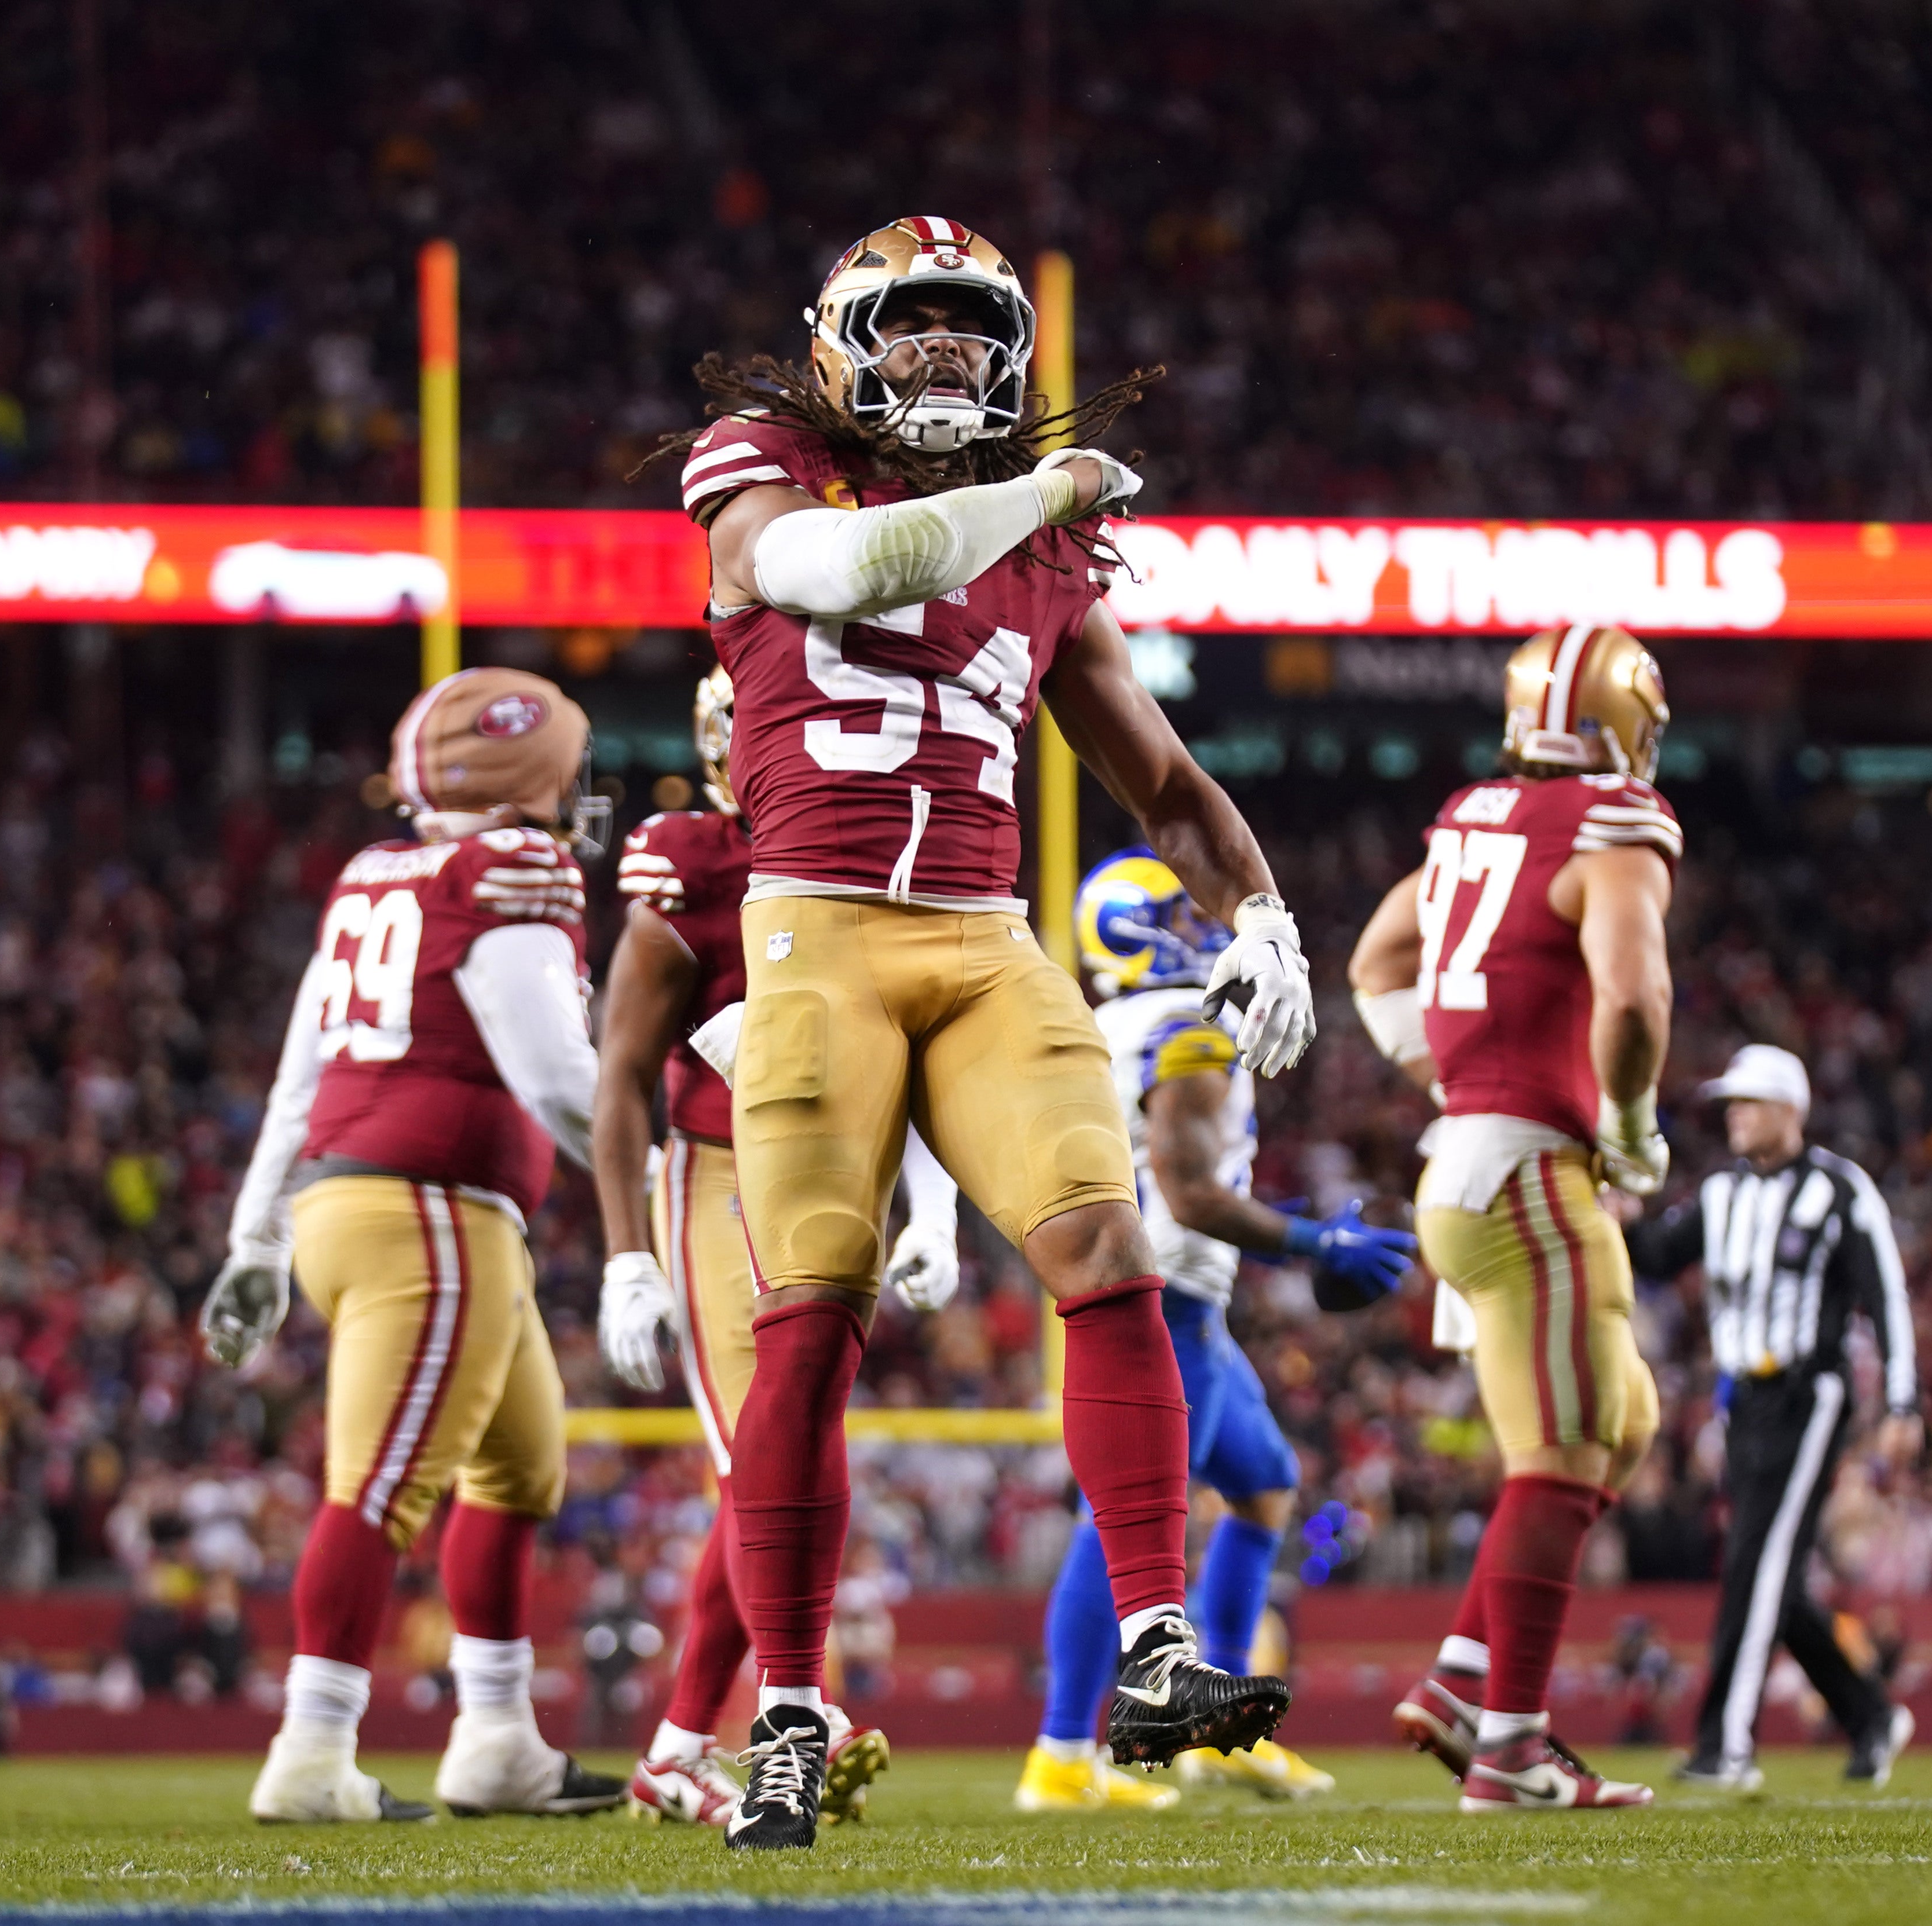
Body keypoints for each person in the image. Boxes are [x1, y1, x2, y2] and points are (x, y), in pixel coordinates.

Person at [665, 214, 1317, 1850]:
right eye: (912, 324)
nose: (945, 352)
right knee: (808, 1319)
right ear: (836, 345)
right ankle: (790, 1711)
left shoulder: (1049, 555)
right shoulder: (766, 470)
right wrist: (1046, 491)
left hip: (981, 938)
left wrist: (1260, 909)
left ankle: (1158, 1648)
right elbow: (842, 569)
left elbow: (1161, 780)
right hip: (811, 931)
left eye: (972, 328)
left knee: (1109, 1245)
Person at [203, 668, 622, 1824]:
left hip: (373, 1207)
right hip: (427, 1212)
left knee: (519, 1466)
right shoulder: (509, 870)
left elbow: (301, 1070)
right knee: (379, 1488)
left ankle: (495, 1739)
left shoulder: (375, 873)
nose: (576, 791)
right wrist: (663, 1167)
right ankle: (311, 1750)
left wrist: (257, 1231)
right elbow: (552, 1073)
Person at [1347, 624, 1678, 1813]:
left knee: (1620, 1418)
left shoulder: (1469, 820)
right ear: (1621, 718)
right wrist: (1633, 1126)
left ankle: (1465, 1674)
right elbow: (1633, 998)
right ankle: (1512, 1746)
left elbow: (1377, 964)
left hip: (1470, 1167)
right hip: (1529, 1178)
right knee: (1564, 1448)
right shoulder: (1616, 826)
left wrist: (1450, 1076)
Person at [1017, 851, 1413, 1813]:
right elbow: (1190, 1195)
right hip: (1163, 1304)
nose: (1207, 930)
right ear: (1153, 929)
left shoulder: (1104, 1022)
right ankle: (1063, 1751)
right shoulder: (1184, 1030)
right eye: (1188, 917)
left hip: (1177, 1301)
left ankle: (1214, 1735)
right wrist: (1312, 1238)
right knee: (1115, 1525)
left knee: (1265, 1484)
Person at [590, 666, 904, 1826]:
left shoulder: (868, 853)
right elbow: (621, 1074)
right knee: (758, 1461)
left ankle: (697, 1737)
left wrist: (921, 1196)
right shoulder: (696, 858)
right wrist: (628, 1255)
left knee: (795, 1454)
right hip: (720, 1170)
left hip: (830, 1174)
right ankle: (771, 1709)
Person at [1624, 1042, 1920, 1790]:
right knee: (1769, 1576)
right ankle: (1869, 1714)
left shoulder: (1839, 1190)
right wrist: (1613, 1218)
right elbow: (1656, 1254)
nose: (1735, 1115)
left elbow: (1884, 1293)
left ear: (1791, 1109)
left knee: (1755, 1567)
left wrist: (1902, 1398)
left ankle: (1725, 1743)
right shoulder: (1721, 1191)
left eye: (1749, 1102)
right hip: (1742, 1400)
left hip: (1807, 1393)